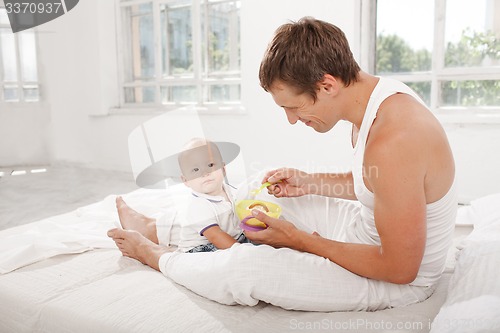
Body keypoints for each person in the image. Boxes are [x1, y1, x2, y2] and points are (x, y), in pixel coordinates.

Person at [108, 17, 457, 312]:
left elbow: (400, 269)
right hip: (365, 231)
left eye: (293, 107)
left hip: (391, 277)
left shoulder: (395, 140)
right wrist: (309, 182)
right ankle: (165, 227)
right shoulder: (374, 97)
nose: (291, 120)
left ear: (327, 85)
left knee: (248, 268)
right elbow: (380, 184)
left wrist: (301, 241)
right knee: (262, 187)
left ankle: (156, 255)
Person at [112, 138, 247, 255]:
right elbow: (216, 236)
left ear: (223, 169)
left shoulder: (231, 191)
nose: (205, 173)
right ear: (186, 181)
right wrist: (241, 251)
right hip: (201, 249)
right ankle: (161, 251)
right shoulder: (198, 206)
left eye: (210, 165)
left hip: (229, 238)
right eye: (195, 170)